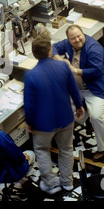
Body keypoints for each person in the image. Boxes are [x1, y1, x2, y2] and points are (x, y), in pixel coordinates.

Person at [24, 37, 85, 195]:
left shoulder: (31, 76)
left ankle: (50, 183)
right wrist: (79, 106)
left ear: (34, 54)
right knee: (66, 149)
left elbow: (29, 105)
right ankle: (67, 183)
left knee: (42, 149)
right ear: (50, 50)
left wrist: (29, 122)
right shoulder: (63, 67)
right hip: (65, 118)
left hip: (43, 125)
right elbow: (74, 90)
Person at [52, 25, 104, 162]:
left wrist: (74, 70)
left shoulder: (94, 49)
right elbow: (53, 47)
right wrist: (58, 58)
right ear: (68, 39)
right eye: (73, 38)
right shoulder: (68, 44)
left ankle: (103, 148)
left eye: (79, 36)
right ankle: (85, 118)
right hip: (77, 88)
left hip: (98, 89)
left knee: (97, 117)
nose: (77, 40)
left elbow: (96, 71)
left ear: (83, 34)